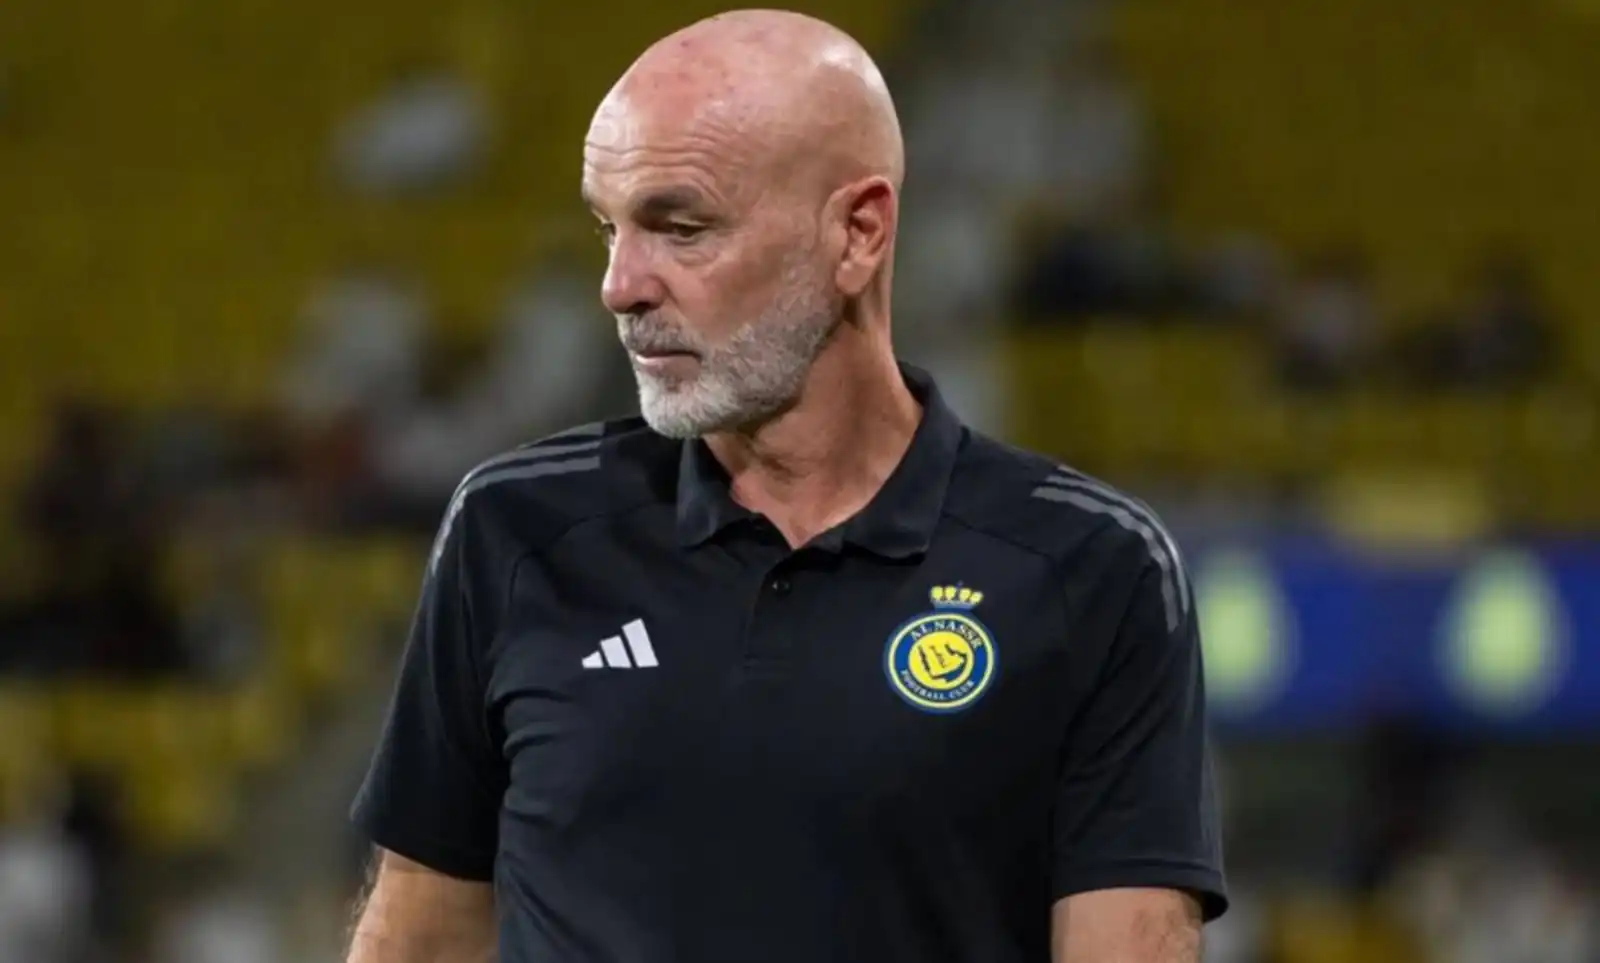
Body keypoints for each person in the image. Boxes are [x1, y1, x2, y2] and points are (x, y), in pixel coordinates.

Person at [345, 10, 1226, 963]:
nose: (620, 284)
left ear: (857, 233)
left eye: (681, 228)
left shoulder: (1088, 570)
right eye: (610, 227)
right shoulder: (514, 531)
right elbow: (420, 940)